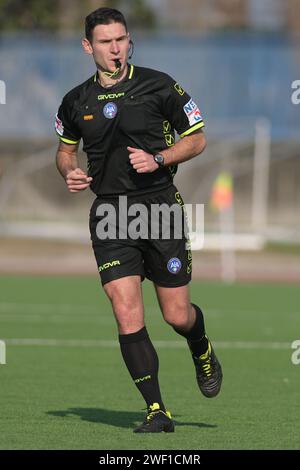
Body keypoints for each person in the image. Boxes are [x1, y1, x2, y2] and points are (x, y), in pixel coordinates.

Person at [55, 7, 222, 434]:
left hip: (161, 208)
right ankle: (157, 410)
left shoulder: (160, 85)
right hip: (111, 214)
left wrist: (159, 158)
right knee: (126, 309)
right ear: (88, 46)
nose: (117, 48)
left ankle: (200, 346)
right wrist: (68, 169)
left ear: (130, 40)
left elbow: (198, 138)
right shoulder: (76, 100)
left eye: (122, 39)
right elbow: (65, 150)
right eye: (107, 41)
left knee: (176, 315)